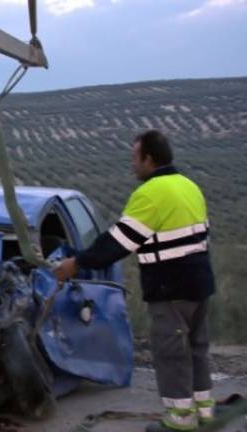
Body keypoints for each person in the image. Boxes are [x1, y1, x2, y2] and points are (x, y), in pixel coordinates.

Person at [54, 130, 215, 432]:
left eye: (135, 157)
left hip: (171, 288)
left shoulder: (151, 193)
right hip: (200, 284)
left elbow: (118, 243)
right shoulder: (188, 186)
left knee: (171, 354)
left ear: (149, 159)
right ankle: (204, 411)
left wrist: (76, 263)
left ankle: (180, 420)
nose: (132, 165)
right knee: (196, 348)